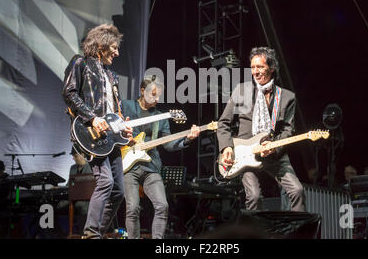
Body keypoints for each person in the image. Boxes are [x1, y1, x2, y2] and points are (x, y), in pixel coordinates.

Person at [62, 23, 133, 239]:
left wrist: (123, 128)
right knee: (105, 182)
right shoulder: (80, 62)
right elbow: (69, 93)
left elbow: (114, 110)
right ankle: (91, 233)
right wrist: (91, 119)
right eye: (113, 47)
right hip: (90, 134)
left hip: (111, 137)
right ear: (101, 45)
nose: (117, 52)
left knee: (119, 191)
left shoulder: (111, 76)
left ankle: (98, 233)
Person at [217, 46, 305, 211]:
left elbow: (287, 130)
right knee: (254, 197)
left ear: (271, 68)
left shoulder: (286, 97)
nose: (255, 72)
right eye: (253, 67)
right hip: (245, 155)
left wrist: (273, 148)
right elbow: (223, 123)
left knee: (297, 191)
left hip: (274, 154)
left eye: (260, 67)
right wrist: (226, 147)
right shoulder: (241, 91)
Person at [122, 76, 200, 239]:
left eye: (159, 96)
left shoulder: (160, 117)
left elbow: (168, 144)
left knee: (162, 206)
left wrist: (187, 139)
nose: (157, 99)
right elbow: (114, 129)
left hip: (151, 166)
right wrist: (124, 137)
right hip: (129, 165)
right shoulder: (126, 106)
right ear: (143, 91)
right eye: (153, 95)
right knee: (133, 208)